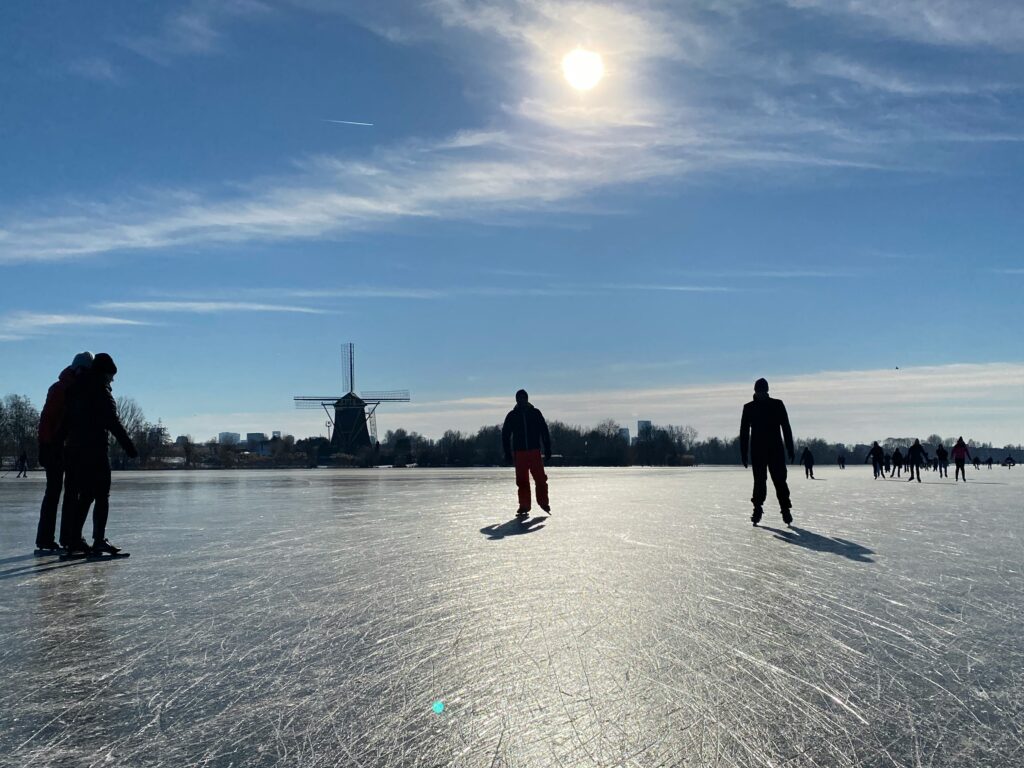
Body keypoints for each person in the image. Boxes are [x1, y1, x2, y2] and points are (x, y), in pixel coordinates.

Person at [62, 352, 137, 555]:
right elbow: (112, 421)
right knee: (102, 494)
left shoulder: (75, 388)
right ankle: (98, 540)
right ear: (104, 373)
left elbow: (65, 419)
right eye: (111, 375)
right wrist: (129, 447)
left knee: (85, 495)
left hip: (75, 449)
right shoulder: (100, 390)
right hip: (94, 450)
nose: (112, 379)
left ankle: (73, 539)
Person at [35, 351, 93, 551]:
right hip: (56, 447)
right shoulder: (60, 389)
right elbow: (47, 419)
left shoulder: (78, 389)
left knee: (71, 493)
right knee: (54, 492)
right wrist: (46, 446)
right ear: (78, 369)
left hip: (71, 448)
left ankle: (67, 537)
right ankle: (45, 538)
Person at [740, 378, 794, 526]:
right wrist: (743, 453)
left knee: (780, 480)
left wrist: (790, 447)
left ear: (767, 391)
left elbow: (786, 427)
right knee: (759, 481)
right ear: (755, 391)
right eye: (759, 391)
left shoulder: (777, 404)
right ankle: (757, 508)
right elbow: (744, 432)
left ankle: (785, 509)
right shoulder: (749, 408)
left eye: (764, 391)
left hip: (776, 449)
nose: (762, 394)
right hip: (758, 451)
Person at [501, 389, 551, 518]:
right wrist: (507, 452)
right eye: (519, 398)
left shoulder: (535, 413)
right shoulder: (512, 415)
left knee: (540, 479)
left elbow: (544, 430)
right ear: (516, 400)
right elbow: (505, 435)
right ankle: (524, 506)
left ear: (527, 399)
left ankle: (544, 502)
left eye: (523, 398)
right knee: (522, 481)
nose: (521, 400)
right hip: (520, 453)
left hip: (534, 451)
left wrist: (548, 447)